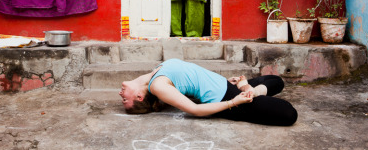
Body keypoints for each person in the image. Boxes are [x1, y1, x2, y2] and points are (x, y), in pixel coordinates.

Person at [119, 58, 298, 126]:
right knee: (289, 113)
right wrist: (235, 102)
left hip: (225, 85)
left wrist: (227, 81)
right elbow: (195, 110)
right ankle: (249, 93)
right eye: (125, 101)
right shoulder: (157, 86)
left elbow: (193, 79)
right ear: (139, 97)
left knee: (277, 81)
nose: (120, 96)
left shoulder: (156, 72)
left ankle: (250, 90)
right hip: (225, 99)